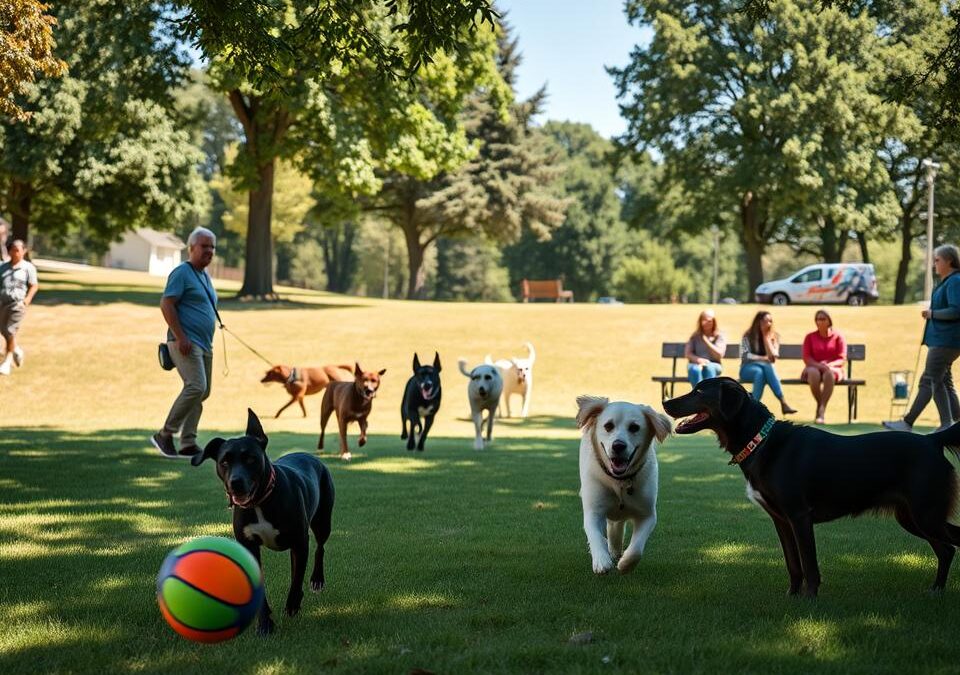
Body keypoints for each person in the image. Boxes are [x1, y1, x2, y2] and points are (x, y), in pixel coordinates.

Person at [151, 227, 218, 459]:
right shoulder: (182, 272)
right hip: (186, 342)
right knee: (196, 386)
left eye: (212, 247)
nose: (209, 251)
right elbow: (166, 304)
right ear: (191, 248)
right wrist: (181, 337)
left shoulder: (204, 275)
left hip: (205, 344)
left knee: (203, 391)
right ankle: (165, 434)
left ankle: (188, 442)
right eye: (204, 246)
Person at [883, 244, 960, 432]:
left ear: (949, 261)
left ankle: (909, 423)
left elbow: (956, 310)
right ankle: (953, 424)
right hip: (943, 341)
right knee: (943, 381)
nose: (934, 264)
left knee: (929, 380)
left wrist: (933, 314)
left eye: (937, 260)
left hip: (945, 341)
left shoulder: (955, 281)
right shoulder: (948, 281)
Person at [739, 310, 797, 415]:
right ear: (758, 321)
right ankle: (783, 402)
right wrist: (763, 358)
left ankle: (752, 406)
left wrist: (766, 338)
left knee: (761, 372)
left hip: (764, 370)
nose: (768, 324)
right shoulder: (747, 335)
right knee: (765, 367)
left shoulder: (774, 336)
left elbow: (773, 357)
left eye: (770, 321)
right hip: (747, 368)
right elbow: (745, 355)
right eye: (765, 321)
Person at [0, 239, 39, 376]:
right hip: (3, 304)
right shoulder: (3, 267)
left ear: (24, 251)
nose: (15, 253)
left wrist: (26, 300)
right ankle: (16, 349)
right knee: (4, 331)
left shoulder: (28, 267)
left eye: (17, 250)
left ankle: (7, 362)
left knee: (10, 331)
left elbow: (34, 285)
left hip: (17, 304)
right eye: (12, 250)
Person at [801, 309, 846, 424]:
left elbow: (842, 358)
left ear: (829, 321)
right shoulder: (810, 337)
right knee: (813, 373)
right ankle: (820, 405)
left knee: (829, 374)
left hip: (833, 368)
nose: (819, 322)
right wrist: (820, 366)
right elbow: (807, 358)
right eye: (817, 319)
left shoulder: (838, 337)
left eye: (822, 319)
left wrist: (829, 365)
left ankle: (821, 410)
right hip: (814, 367)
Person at [685, 309, 726, 386]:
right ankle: (698, 392)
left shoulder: (719, 336)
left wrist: (706, 341)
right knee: (695, 370)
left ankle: (709, 392)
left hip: (714, 364)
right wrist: (699, 360)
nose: (707, 323)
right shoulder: (695, 336)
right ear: (700, 321)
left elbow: (719, 355)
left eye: (709, 321)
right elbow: (688, 354)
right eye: (704, 320)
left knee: (709, 367)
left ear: (714, 322)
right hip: (696, 364)